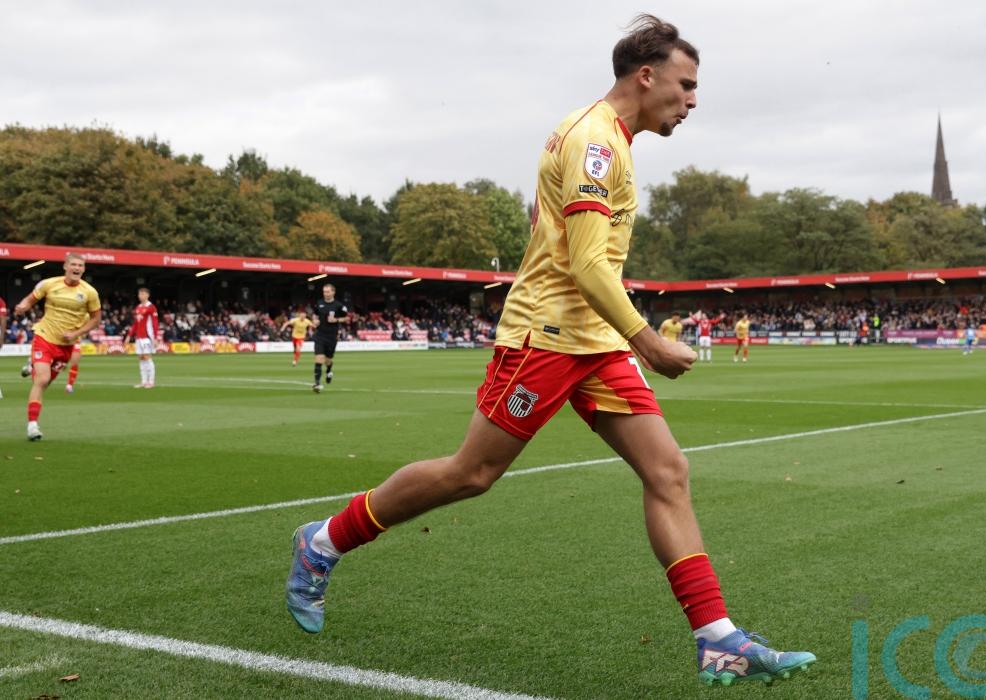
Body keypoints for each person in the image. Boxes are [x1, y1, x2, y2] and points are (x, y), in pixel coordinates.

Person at [285, 15, 814, 688]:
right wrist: (648, 340)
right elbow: (589, 267)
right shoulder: (596, 143)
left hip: (594, 340)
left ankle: (718, 639)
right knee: (472, 473)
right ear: (645, 76)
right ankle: (323, 542)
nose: (692, 100)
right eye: (685, 85)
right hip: (549, 338)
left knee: (667, 472)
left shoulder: (607, 139)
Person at [12, 253, 101, 440]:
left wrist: (76, 334)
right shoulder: (49, 284)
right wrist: (23, 306)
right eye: (74, 264)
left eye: (81, 265)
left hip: (66, 345)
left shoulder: (90, 292)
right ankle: (32, 426)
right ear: (65, 267)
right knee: (42, 380)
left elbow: (96, 319)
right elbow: (30, 299)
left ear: (84, 269)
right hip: (44, 337)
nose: (77, 268)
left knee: (44, 383)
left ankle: (32, 366)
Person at [311, 284, 349, 392]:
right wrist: (315, 320)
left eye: (328, 292)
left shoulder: (339, 305)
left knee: (328, 360)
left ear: (333, 292)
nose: (326, 294)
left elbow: (347, 318)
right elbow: (315, 314)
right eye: (324, 292)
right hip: (320, 335)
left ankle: (329, 370)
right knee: (319, 358)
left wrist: (336, 320)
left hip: (332, 336)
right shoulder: (319, 303)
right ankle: (317, 383)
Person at [125, 287, 159, 388]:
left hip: (147, 337)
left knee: (147, 358)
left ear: (147, 295)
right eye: (139, 294)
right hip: (139, 337)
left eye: (143, 294)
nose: (140, 296)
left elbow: (155, 323)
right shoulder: (138, 307)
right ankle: (143, 381)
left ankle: (151, 382)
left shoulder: (151, 307)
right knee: (141, 359)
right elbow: (136, 323)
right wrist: (129, 335)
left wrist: (155, 337)